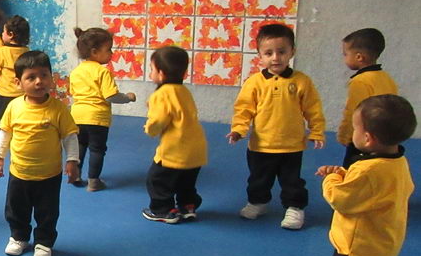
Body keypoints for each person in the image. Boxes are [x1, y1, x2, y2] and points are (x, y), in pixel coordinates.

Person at [308, 94, 415, 256]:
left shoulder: (369, 171)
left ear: (367, 139)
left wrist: (333, 179)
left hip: (356, 248)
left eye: (355, 128)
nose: (353, 133)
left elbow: (342, 199)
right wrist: (345, 174)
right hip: (383, 246)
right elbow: (373, 191)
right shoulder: (397, 162)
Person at [228, 23, 325, 230]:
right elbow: (244, 109)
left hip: (291, 145)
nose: (275, 58)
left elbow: (313, 108)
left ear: (292, 52)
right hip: (261, 145)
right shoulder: (254, 82)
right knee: (258, 179)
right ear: (259, 56)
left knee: (292, 181)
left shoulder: (301, 81)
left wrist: (317, 131)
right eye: (268, 53)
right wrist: (239, 129)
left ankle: (295, 207)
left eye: (281, 52)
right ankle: (258, 202)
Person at [0, 50, 80, 256]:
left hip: (49, 175)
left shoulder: (59, 109)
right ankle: (18, 237)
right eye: (31, 77)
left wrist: (72, 160)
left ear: (52, 77)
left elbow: (69, 136)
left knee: (47, 212)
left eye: (44, 75)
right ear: (18, 82)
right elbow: (5, 133)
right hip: (20, 172)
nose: (39, 81)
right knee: (16, 209)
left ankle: (44, 241)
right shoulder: (14, 107)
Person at [141, 46, 207, 224]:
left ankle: (162, 210)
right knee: (186, 180)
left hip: (175, 147)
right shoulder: (184, 91)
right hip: (196, 147)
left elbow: (159, 119)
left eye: (152, 69)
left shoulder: (162, 94)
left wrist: (149, 129)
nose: (151, 73)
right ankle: (188, 206)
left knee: (156, 179)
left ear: (161, 74)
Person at [69, 27, 137, 191]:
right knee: (97, 149)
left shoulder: (76, 72)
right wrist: (127, 98)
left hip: (77, 116)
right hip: (97, 119)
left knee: (80, 146)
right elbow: (111, 96)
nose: (112, 53)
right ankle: (94, 181)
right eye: (108, 49)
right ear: (94, 52)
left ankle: (76, 175)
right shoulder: (102, 72)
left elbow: (73, 93)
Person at [338, 28, 397, 168]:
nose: (344, 58)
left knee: (354, 171)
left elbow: (353, 111)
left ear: (359, 57)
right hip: (385, 138)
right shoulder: (386, 78)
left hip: (364, 139)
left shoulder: (360, 81)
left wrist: (345, 135)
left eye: (345, 54)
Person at [0, 15, 29, 125]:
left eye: (3, 31)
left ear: (11, 35)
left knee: (4, 122)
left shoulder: (1, 52)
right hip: (23, 93)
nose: (2, 34)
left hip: (4, 94)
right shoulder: (26, 51)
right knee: (19, 119)